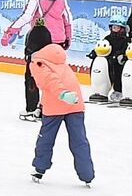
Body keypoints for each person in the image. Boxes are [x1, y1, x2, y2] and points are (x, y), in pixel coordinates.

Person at [0, 0, 72, 121]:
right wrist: (68, 38)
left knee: (33, 75)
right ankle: (49, 108)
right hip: (57, 41)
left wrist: (9, 31)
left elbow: (27, 16)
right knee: (54, 75)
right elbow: (67, 18)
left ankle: (32, 108)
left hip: (40, 41)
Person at [27, 44, 94, 185]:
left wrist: (63, 94)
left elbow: (50, 81)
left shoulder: (37, 63)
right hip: (75, 105)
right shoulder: (61, 63)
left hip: (55, 107)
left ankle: (39, 168)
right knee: (79, 141)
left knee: (46, 139)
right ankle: (87, 174)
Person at [85, 22, 130, 106]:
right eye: (113, 27)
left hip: (118, 62)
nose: (115, 29)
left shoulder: (125, 40)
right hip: (108, 61)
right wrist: (94, 52)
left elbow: (125, 50)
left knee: (118, 75)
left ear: (122, 28)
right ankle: (101, 91)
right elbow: (102, 46)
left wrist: (117, 55)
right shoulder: (108, 38)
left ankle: (118, 90)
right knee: (103, 74)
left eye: (117, 27)